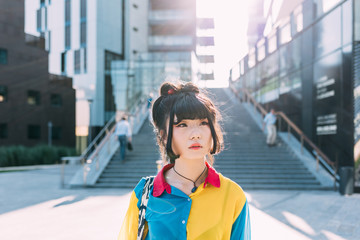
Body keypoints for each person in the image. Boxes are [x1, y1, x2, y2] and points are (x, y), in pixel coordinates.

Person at [118, 82, 251, 240]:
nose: (195, 134)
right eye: (182, 124)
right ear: (164, 135)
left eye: (203, 123)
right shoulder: (144, 193)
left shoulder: (232, 195)